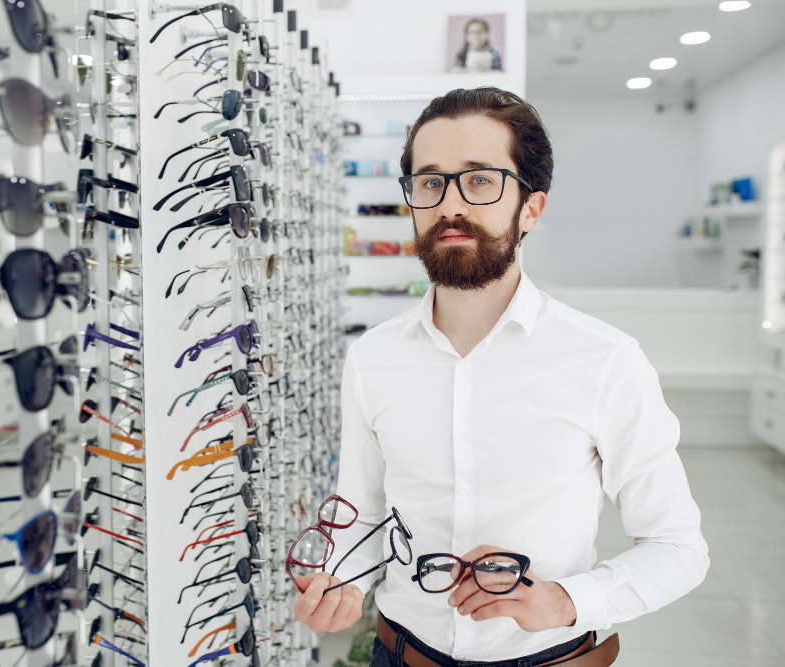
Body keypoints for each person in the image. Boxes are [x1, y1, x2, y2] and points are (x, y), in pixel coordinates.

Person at [292, 87, 708, 667]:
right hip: (401, 653)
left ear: (531, 208)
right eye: (430, 181)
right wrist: (343, 582)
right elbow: (362, 511)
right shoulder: (373, 357)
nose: (450, 204)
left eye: (480, 179)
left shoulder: (605, 360)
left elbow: (678, 548)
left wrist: (565, 601)